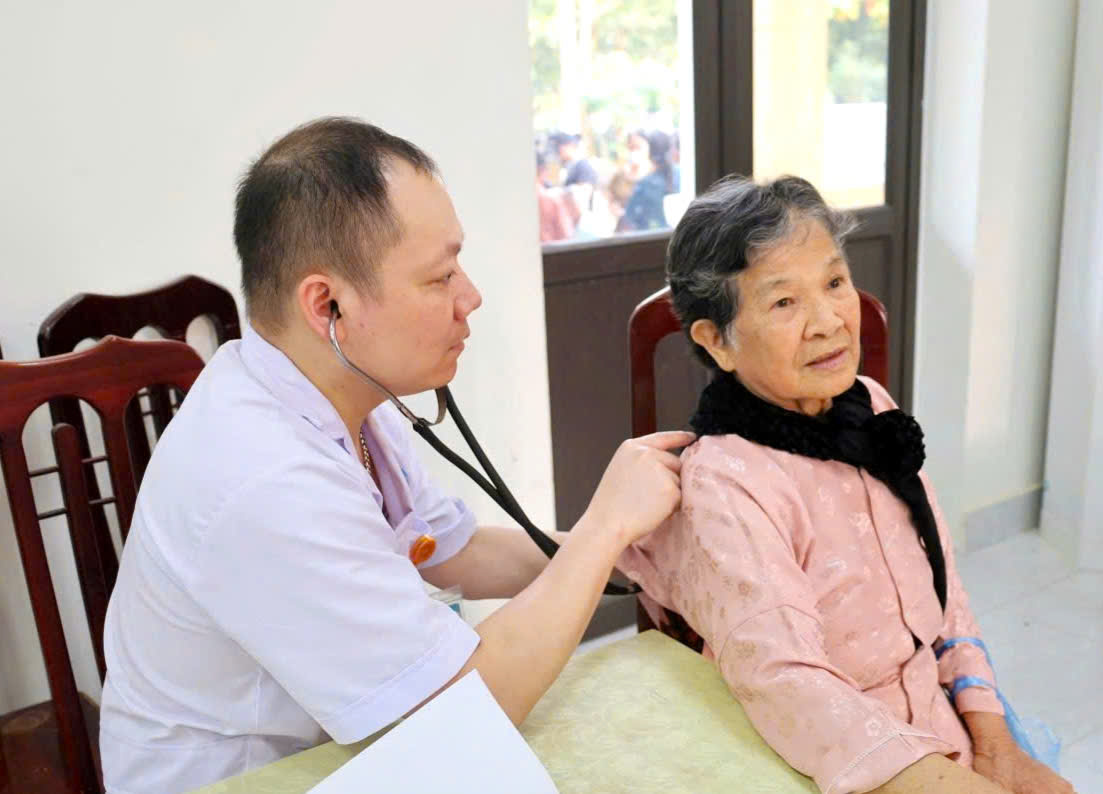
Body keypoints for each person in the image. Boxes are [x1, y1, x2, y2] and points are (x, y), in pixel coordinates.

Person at [99, 117, 693, 793]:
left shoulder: (339, 396)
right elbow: (459, 715)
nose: (470, 297)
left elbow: (448, 551)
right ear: (328, 305)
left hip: (331, 741)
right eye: (440, 277)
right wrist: (604, 528)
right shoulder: (264, 478)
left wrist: (634, 559)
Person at [619, 176, 1075, 794]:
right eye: (784, 302)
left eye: (834, 283)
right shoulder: (726, 482)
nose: (829, 321)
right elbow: (790, 684)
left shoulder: (870, 405)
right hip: (830, 760)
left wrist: (995, 743)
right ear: (716, 341)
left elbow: (946, 595)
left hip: (939, 723)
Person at [617, 130, 679, 233]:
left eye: (637, 148)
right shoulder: (640, 182)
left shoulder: (648, 184)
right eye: (630, 148)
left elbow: (627, 225)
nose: (633, 154)